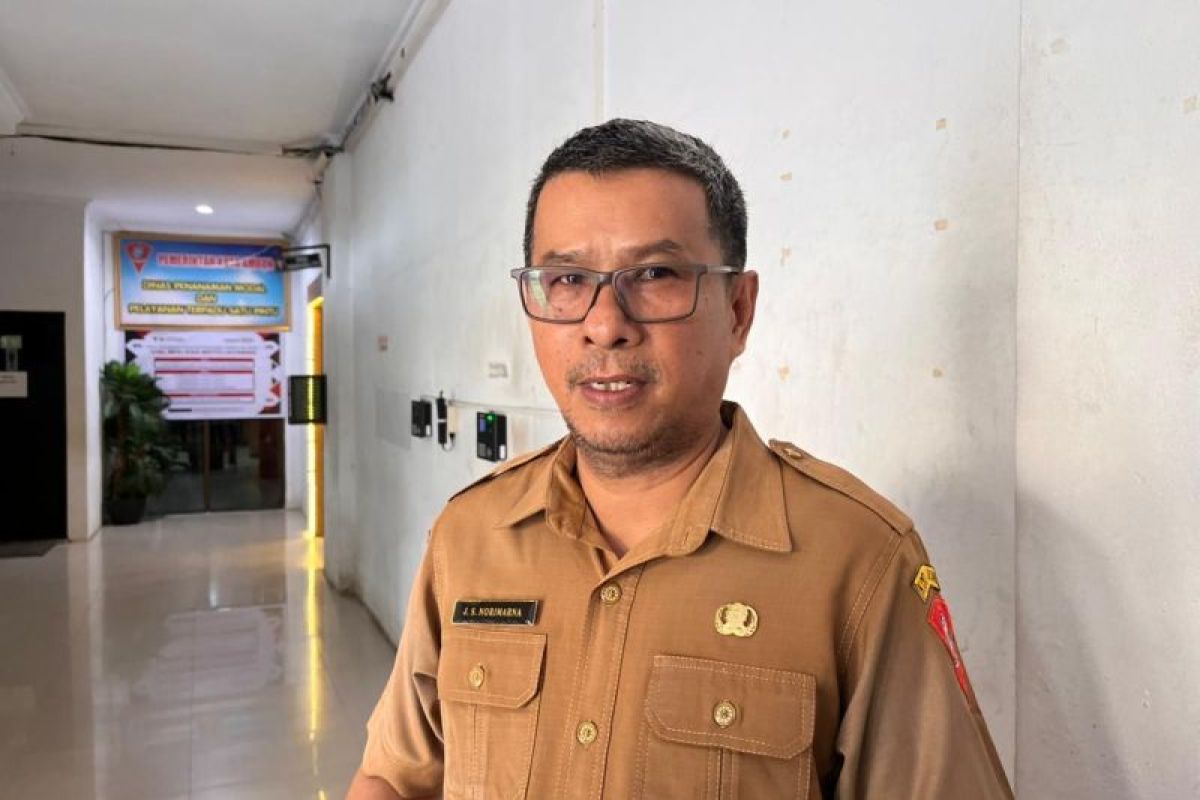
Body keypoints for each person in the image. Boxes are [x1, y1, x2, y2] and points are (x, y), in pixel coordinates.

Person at [346, 118, 1014, 799]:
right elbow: (392, 778)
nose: (605, 325)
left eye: (655, 274)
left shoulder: (856, 560)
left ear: (738, 310)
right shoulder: (470, 536)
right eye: (568, 278)